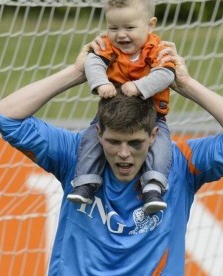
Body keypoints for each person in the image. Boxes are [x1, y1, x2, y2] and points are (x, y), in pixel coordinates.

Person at [0, 38, 223, 275]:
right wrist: (78, 72)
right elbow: (6, 116)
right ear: (98, 134)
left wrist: (185, 84)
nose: (123, 154)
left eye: (135, 143)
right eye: (113, 142)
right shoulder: (75, 154)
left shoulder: (180, 161)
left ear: (153, 137)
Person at [68, 0, 175, 214]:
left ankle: (153, 186)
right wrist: (101, 83)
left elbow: (166, 74)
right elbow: (93, 62)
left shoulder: (157, 48)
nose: (121, 35)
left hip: (152, 116)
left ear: (150, 25)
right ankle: (86, 183)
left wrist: (139, 86)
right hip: (112, 115)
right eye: (113, 28)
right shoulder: (107, 45)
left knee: (162, 144)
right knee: (91, 138)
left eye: (129, 28)